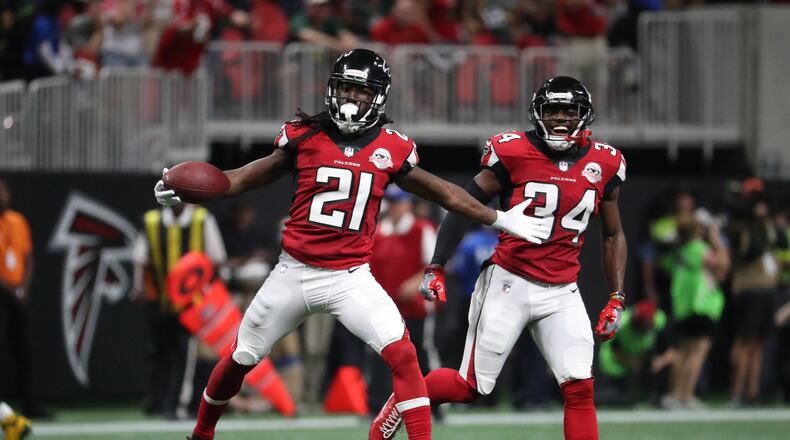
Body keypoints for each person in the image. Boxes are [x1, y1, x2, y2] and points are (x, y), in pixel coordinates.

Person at [154, 49, 548, 440]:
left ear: (378, 95)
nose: (351, 98)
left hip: (350, 277)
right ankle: (202, 433)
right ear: (331, 90)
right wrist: (187, 190)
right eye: (345, 88)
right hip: (294, 272)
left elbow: (444, 193)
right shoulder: (304, 134)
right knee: (241, 357)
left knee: (403, 354)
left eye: (361, 91)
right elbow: (240, 178)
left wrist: (497, 217)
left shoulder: (391, 146)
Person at [370, 76, 628, 440]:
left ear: (583, 116)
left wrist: (616, 296)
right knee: (469, 387)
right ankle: (400, 402)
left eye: (568, 112)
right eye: (552, 110)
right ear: (538, 113)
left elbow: (613, 234)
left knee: (580, 388)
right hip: (510, 280)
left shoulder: (606, 162)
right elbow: (462, 205)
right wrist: (438, 264)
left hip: (562, 289)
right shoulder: (514, 151)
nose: (560, 119)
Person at [131, 202, 227, 419]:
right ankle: (159, 400)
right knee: (161, 351)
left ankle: (182, 404)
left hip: (194, 303)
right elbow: (140, 258)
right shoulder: (152, 221)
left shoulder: (202, 219)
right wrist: (138, 287)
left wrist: (207, 291)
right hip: (161, 301)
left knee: (188, 353)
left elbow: (217, 259)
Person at [368, 185, 440, 411]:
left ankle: (434, 404)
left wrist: (415, 281)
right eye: (391, 202)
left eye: (398, 202)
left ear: (408, 204)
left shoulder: (421, 228)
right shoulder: (379, 231)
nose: (393, 207)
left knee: (421, 350)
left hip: (415, 306)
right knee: (381, 353)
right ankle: (376, 406)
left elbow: (434, 264)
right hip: (385, 306)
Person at [0, 180, 50, 420]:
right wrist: (10, 287)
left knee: (24, 352)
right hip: (2, 294)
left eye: (4, 191)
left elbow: (28, 257)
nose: (3, 196)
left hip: (18, 297)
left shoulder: (17, 220)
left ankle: (30, 404)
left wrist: (24, 286)